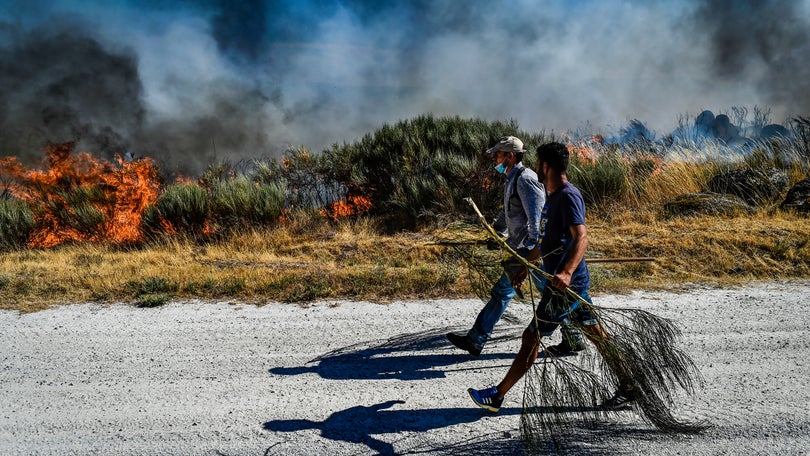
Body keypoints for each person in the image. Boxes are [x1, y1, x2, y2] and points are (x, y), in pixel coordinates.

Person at [467, 142, 636, 413]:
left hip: (566, 287)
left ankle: (497, 396)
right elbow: (546, 241)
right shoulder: (553, 195)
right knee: (597, 334)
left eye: (538, 161)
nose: (535, 165)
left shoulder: (568, 196)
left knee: (531, 337)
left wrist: (567, 272)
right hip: (573, 285)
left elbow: (581, 237)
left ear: (545, 165)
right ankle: (631, 385)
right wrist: (526, 265)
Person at [446, 136, 585, 358]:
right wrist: (496, 232)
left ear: (510, 156)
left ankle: (476, 339)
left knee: (509, 293)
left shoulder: (526, 180)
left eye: (498, 154)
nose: (494, 158)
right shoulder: (512, 178)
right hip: (523, 249)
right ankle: (574, 338)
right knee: (551, 295)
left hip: (529, 251)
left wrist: (529, 254)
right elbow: (508, 211)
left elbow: (537, 219)